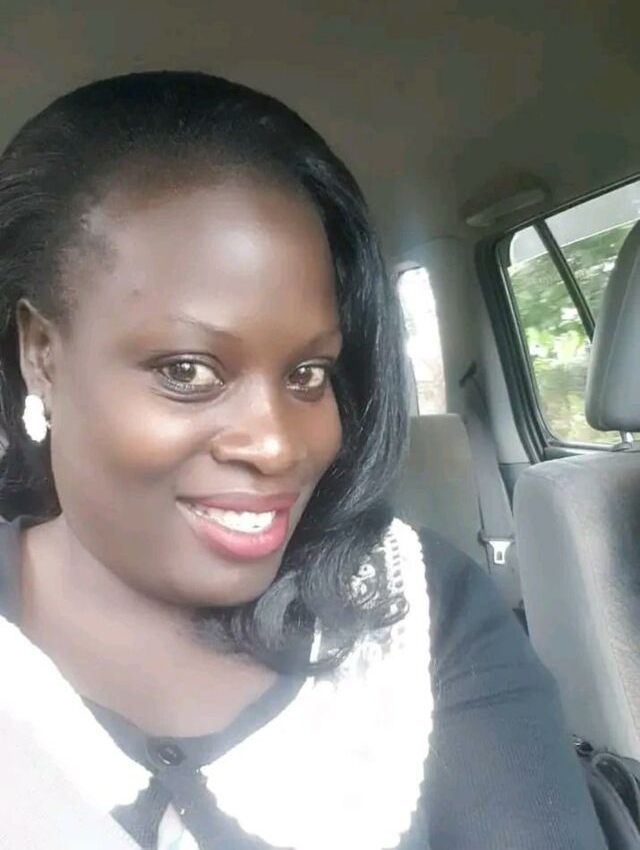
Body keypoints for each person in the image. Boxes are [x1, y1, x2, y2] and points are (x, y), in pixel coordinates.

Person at [0, 71, 605, 850]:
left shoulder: (417, 612)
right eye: (187, 370)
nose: (279, 444)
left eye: (307, 374)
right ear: (42, 353)